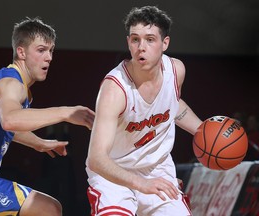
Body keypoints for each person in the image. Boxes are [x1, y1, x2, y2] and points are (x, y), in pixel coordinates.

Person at [0, 17, 95, 216]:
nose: (49, 58)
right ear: (21, 52)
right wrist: (66, 113)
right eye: (41, 50)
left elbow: (3, 127)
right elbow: (10, 120)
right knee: (49, 208)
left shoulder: (9, 84)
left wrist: (38, 142)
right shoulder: (11, 84)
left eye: (51, 51)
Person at [86, 6, 202, 216]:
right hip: (113, 172)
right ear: (128, 42)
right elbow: (96, 159)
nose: (141, 47)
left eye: (150, 39)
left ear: (165, 43)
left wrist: (202, 131)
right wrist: (141, 184)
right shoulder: (114, 89)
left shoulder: (176, 71)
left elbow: (171, 104)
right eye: (135, 39)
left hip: (156, 169)